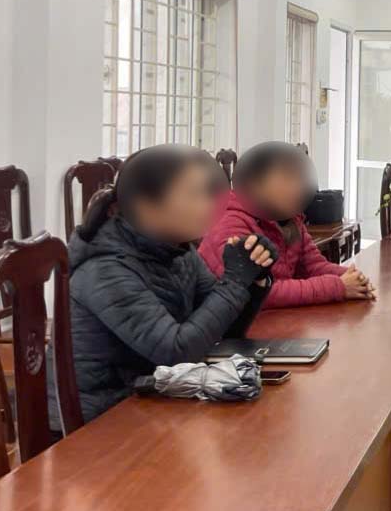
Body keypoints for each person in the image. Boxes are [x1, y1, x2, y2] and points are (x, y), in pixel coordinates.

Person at [69, 145, 276, 422]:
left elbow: (222, 331)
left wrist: (254, 279)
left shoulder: (177, 249)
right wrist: (234, 281)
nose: (208, 206)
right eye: (193, 195)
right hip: (103, 417)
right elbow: (176, 351)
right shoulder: (104, 270)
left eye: (206, 194)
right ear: (146, 206)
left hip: (156, 393)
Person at [199, 142, 375, 307]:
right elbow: (259, 292)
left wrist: (352, 278)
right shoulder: (230, 221)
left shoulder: (288, 217)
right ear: (254, 185)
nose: (297, 188)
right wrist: (338, 287)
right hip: (230, 330)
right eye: (286, 179)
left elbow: (314, 266)